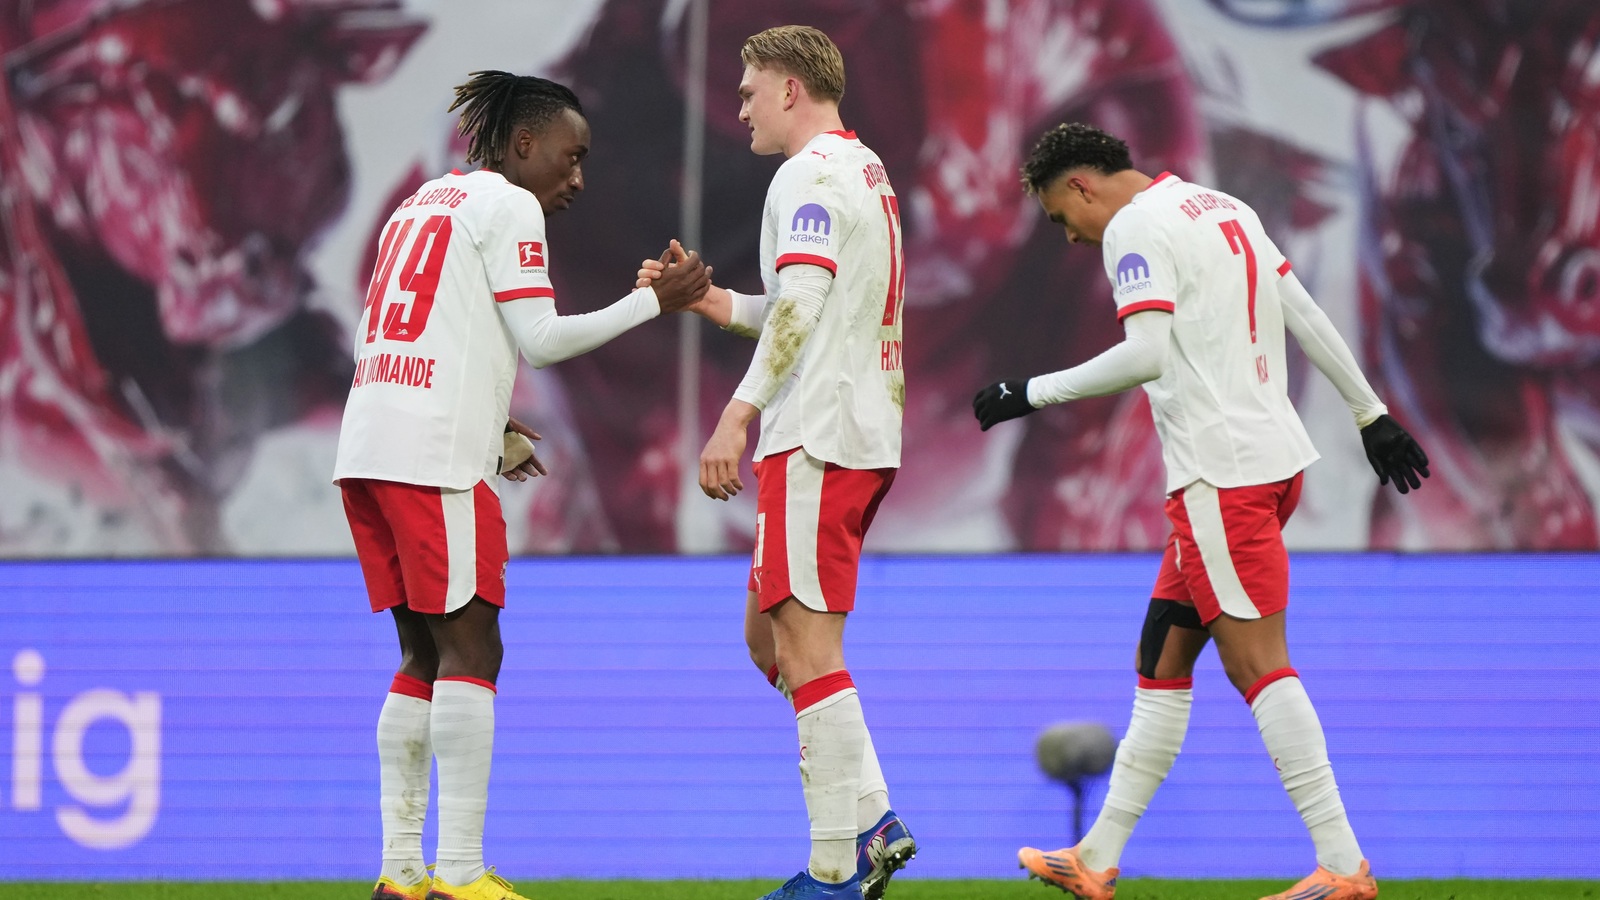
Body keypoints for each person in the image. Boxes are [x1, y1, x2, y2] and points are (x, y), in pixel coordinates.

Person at [972, 123, 1429, 900]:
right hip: (1269, 466)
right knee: (1162, 661)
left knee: (1259, 667)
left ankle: (1344, 865)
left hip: (1223, 480)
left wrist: (1031, 392)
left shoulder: (1133, 230)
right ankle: (1096, 857)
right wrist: (1369, 412)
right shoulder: (1222, 207)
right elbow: (1302, 309)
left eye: (1059, 217)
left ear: (1081, 184)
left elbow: (1147, 353)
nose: (1070, 236)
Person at [333, 71, 709, 900]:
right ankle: (461, 876)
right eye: (571, 157)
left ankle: (401, 871)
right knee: (474, 649)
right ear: (524, 143)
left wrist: (491, 423)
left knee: (420, 654)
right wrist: (654, 303)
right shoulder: (508, 205)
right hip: (433, 459)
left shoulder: (419, 203)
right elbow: (540, 339)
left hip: (369, 446)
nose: (578, 178)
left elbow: (400, 332)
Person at [640, 25, 914, 900]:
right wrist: (711, 301)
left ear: (791, 88)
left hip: (817, 434)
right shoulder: (861, 169)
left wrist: (736, 415)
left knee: (804, 642)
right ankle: (873, 817)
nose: (740, 108)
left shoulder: (807, 174)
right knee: (768, 636)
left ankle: (833, 871)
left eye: (749, 90)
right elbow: (808, 306)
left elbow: (801, 304)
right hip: (855, 429)